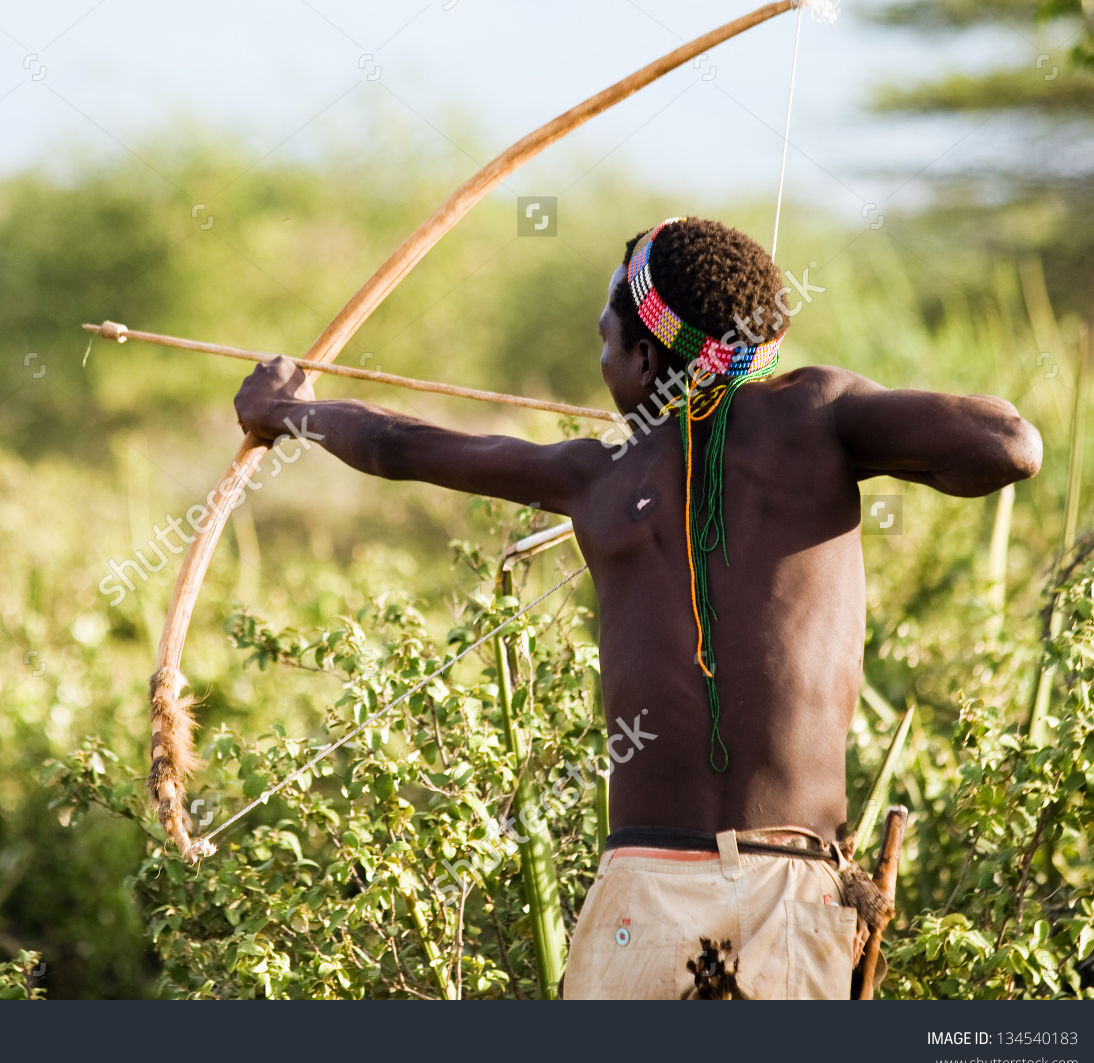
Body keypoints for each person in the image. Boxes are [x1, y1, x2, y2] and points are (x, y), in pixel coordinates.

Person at [232, 216, 1041, 999]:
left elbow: (398, 446)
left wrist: (288, 410)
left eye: (605, 343)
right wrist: (822, 411)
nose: (601, 362)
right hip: (785, 900)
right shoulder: (814, 416)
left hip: (645, 900)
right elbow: (1010, 443)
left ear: (646, 357)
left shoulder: (600, 477)